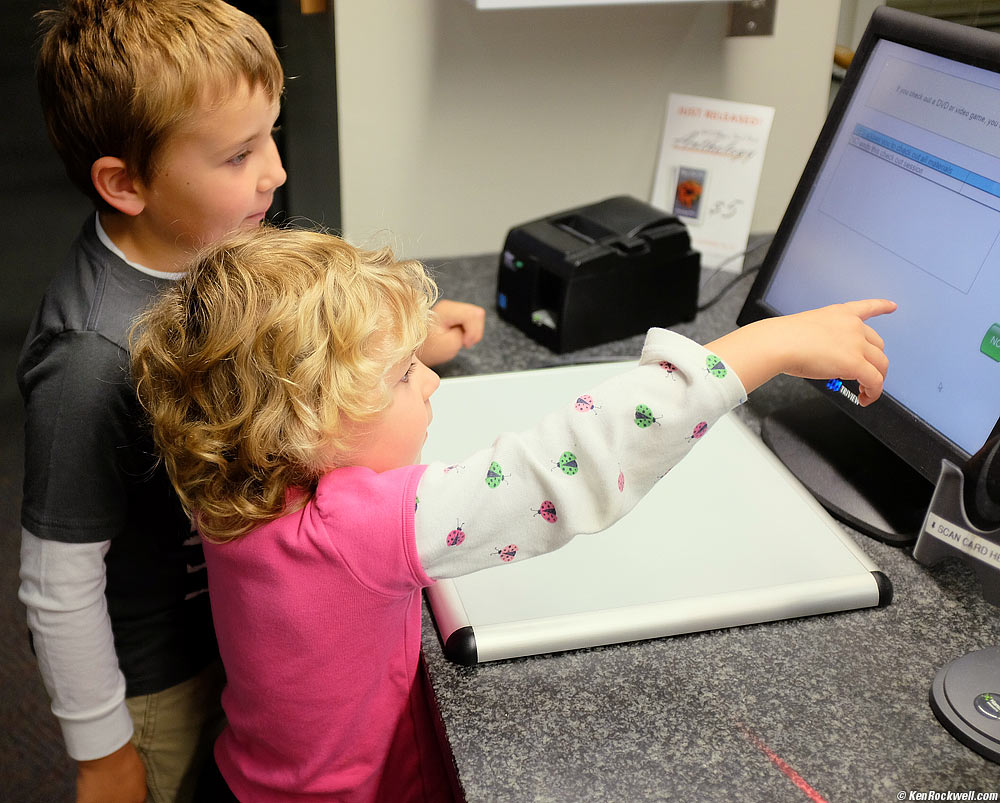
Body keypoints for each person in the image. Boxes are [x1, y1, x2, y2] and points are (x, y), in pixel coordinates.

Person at [130, 224, 895, 802]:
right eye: (402, 375)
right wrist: (751, 353)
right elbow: (564, 465)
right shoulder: (354, 528)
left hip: (249, 780)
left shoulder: (228, 467)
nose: (429, 382)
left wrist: (388, 344)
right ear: (304, 425)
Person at [18, 2, 484, 802]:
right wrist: (103, 754)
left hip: (241, 628)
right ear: (125, 183)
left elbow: (277, 371)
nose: (274, 170)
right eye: (237, 155)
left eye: (270, 134)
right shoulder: (88, 358)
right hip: (163, 675)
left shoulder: (215, 248)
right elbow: (58, 581)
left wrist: (393, 347)